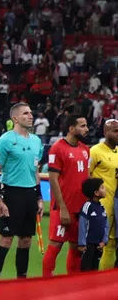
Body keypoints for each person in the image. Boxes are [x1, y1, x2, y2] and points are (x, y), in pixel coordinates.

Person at [0, 102, 44, 281]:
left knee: (26, 241)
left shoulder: (37, 141)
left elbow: (35, 171)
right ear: (15, 118)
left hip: (30, 194)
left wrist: (39, 197)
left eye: (31, 113)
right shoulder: (5, 140)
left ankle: (22, 280)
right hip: (11, 194)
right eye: (25, 113)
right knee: (6, 240)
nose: (31, 116)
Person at [43, 112, 92, 277]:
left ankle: (72, 284)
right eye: (82, 126)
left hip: (81, 208)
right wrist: (62, 207)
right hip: (64, 207)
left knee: (77, 246)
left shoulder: (85, 150)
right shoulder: (57, 148)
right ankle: (44, 282)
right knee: (55, 245)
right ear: (71, 128)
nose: (86, 129)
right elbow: (53, 179)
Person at [89, 118, 118, 270]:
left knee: (112, 242)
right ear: (106, 133)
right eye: (116, 131)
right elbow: (86, 177)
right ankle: (92, 279)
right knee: (98, 243)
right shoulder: (95, 151)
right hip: (101, 205)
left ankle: (105, 280)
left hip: (115, 204)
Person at [77, 178, 109, 272]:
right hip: (88, 245)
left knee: (95, 269)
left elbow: (105, 225)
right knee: (86, 269)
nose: (105, 189)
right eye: (102, 187)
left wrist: (104, 241)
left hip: (99, 245)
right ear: (96, 192)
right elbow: (82, 225)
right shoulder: (87, 206)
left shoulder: (102, 208)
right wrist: (82, 243)